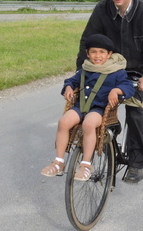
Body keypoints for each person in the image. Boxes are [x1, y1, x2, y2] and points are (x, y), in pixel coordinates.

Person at [75, 0, 143, 184]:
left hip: (137, 71)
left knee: (135, 111)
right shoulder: (102, 9)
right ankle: (106, 139)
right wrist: (81, 73)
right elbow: (87, 41)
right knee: (93, 106)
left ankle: (136, 161)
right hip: (108, 69)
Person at [41, 34, 135, 181]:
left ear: (109, 54)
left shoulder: (116, 71)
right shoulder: (85, 69)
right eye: (93, 52)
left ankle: (86, 165)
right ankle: (59, 161)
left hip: (101, 110)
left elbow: (128, 86)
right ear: (87, 53)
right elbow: (71, 80)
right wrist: (68, 87)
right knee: (63, 122)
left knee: (89, 124)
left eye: (102, 52)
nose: (97, 56)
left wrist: (116, 90)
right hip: (81, 107)